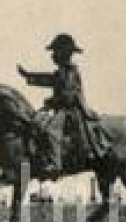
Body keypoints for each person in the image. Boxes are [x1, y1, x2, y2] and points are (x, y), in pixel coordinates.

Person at [18, 33, 107, 172]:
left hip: (71, 111)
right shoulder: (62, 71)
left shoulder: (70, 70)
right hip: (62, 109)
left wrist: (52, 102)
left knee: (51, 130)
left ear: (63, 53)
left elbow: (69, 95)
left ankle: (55, 164)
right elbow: (49, 79)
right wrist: (28, 75)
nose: (53, 55)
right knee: (37, 121)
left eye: (55, 51)